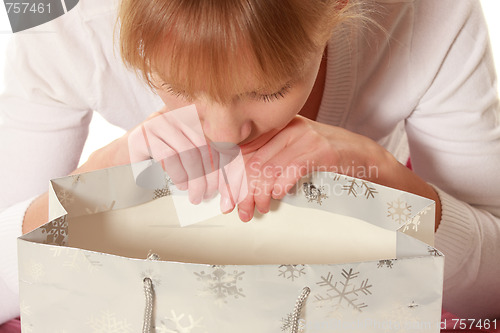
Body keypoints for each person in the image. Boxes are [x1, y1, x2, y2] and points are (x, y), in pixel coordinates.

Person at [0, 0, 499, 326]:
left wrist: (384, 176)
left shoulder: (433, 12)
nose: (221, 134)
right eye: (174, 81)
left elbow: (492, 292)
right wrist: (98, 180)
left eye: (268, 90)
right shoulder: (59, 22)